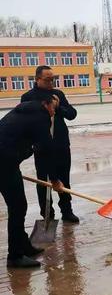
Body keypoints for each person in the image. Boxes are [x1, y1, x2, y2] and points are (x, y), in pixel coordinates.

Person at [0, 98, 64, 268]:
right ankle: (15, 256)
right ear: (46, 104)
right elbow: (48, 149)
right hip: (4, 163)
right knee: (18, 207)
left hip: (7, 161)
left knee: (19, 206)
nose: (54, 112)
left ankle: (23, 246)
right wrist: (56, 180)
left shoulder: (23, 113)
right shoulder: (39, 117)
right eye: (54, 107)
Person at [21, 66, 79, 223]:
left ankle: (67, 211)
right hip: (41, 146)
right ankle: (47, 213)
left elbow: (72, 114)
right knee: (44, 181)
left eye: (53, 79)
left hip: (60, 144)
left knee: (64, 180)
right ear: (37, 79)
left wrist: (59, 107)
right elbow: (25, 122)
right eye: (47, 80)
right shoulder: (28, 97)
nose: (51, 82)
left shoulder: (58, 94)